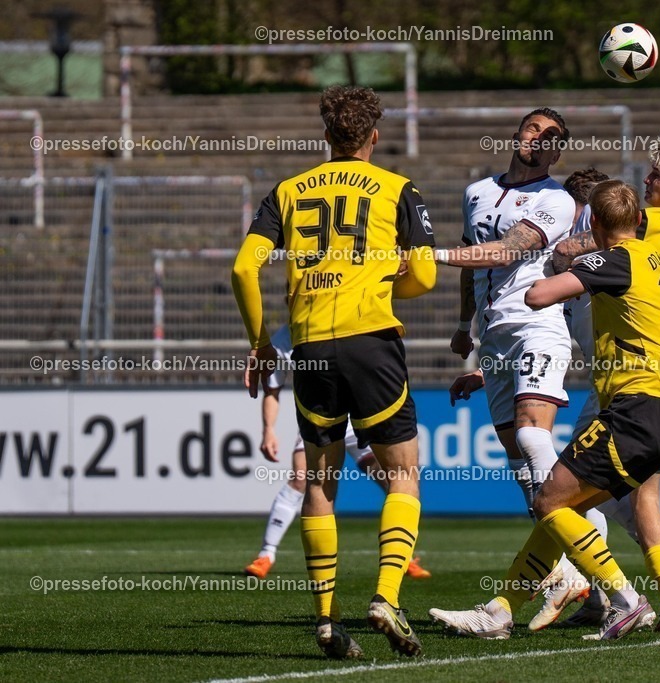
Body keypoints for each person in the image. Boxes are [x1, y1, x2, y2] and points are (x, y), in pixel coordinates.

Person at [430, 180, 660, 641]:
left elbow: (536, 296)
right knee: (568, 506)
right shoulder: (657, 257)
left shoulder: (613, 259)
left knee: (548, 498)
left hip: (635, 407)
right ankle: (501, 610)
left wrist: (557, 258)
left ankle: (626, 600)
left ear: (594, 220)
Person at [231, 84, 436, 659]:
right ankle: (386, 597)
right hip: (371, 339)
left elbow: (243, 270)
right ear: (375, 136)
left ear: (325, 136)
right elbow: (424, 278)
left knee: (320, 483)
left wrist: (259, 345)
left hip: (311, 345)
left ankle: (326, 619)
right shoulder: (399, 189)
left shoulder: (288, 190)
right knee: (402, 475)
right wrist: (379, 279)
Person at [552, 137, 660, 629]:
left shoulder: (649, 222)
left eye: (659, 175)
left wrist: (566, 247)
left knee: (645, 491)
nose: (648, 180)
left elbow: (604, 234)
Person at [436, 109, 601, 626]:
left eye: (552, 137)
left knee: (535, 439)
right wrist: (466, 325)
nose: (539, 139)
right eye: (533, 128)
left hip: (538, 324)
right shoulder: (476, 191)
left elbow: (509, 250)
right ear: (518, 135)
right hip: (494, 338)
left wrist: (428, 256)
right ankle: (597, 590)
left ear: (558, 153)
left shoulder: (555, 198)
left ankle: (595, 584)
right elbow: (472, 256)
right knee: (522, 464)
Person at [244, 324, 431, 582]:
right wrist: (268, 430)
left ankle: (402, 557)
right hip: (324, 417)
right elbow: (272, 390)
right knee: (303, 479)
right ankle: (266, 554)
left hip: (360, 416)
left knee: (395, 481)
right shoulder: (282, 340)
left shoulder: (344, 314)